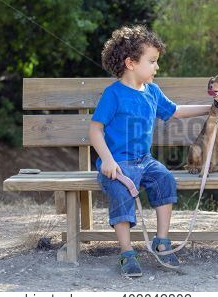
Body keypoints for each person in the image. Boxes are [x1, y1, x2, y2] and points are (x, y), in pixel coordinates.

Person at [89, 25, 210, 277]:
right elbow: (95, 130)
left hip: (145, 161)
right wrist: (108, 161)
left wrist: (211, 108)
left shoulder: (152, 91)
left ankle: (161, 241)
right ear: (131, 62)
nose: (157, 67)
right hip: (118, 164)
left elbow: (174, 111)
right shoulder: (114, 94)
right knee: (121, 192)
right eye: (152, 61)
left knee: (165, 178)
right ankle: (126, 253)